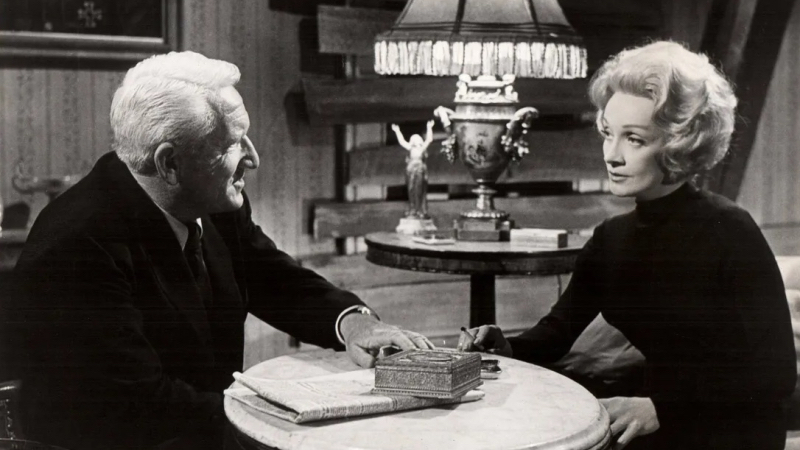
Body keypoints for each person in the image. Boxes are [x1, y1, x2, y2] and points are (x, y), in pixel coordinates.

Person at [3, 51, 433, 450]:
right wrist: (291, 417)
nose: (253, 158)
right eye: (232, 144)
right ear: (169, 163)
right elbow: (137, 403)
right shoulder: (77, 246)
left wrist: (353, 324)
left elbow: (270, 276)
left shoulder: (209, 201)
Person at [465, 41, 796, 450]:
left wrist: (662, 407)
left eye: (634, 140)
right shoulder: (612, 238)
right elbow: (557, 331)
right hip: (650, 420)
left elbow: (776, 373)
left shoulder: (731, 230)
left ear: (679, 142)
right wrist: (508, 345)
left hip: (729, 430)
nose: (612, 155)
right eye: (608, 134)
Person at [391, 120, 434, 219]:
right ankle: (413, 209)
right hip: (410, 170)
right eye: (414, 139)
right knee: (411, 189)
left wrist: (429, 127)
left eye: (417, 139)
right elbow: (402, 141)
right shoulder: (410, 148)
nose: (416, 142)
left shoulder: (422, 148)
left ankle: (420, 210)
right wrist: (397, 131)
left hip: (419, 170)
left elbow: (429, 139)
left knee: (419, 190)